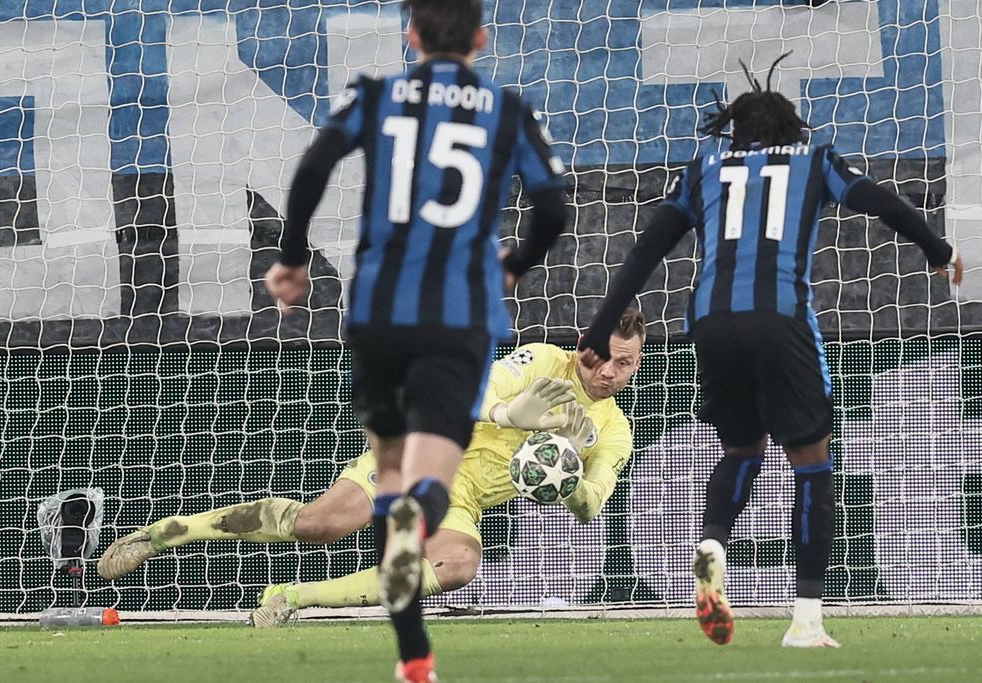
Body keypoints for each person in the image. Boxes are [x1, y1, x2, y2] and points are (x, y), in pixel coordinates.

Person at [578, 56, 963, 649]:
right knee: (811, 459)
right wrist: (938, 251)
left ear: (733, 132)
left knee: (742, 448)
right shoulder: (813, 160)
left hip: (710, 323)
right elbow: (885, 203)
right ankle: (806, 619)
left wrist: (600, 328)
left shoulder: (704, 169)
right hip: (780, 318)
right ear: (792, 129)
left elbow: (647, 249)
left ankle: (712, 543)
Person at [254, 0, 566, 679]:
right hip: (458, 317)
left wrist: (293, 257)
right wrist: (514, 264)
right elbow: (553, 205)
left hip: (379, 314)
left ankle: (413, 655)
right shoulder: (507, 110)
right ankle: (418, 524)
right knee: (427, 486)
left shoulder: (376, 96)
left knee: (389, 478)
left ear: (411, 34)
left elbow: (313, 167)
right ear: (481, 37)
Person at [97, 313, 642, 627]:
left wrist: (567, 479)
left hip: (463, 499)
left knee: (458, 565)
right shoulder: (543, 361)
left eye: (625, 363)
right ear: (583, 348)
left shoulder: (614, 429)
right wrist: (506, 414)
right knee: (320, 525)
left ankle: (291, 599)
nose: (609, 373)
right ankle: (162, 533)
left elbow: (592, 503)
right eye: (602, 358)